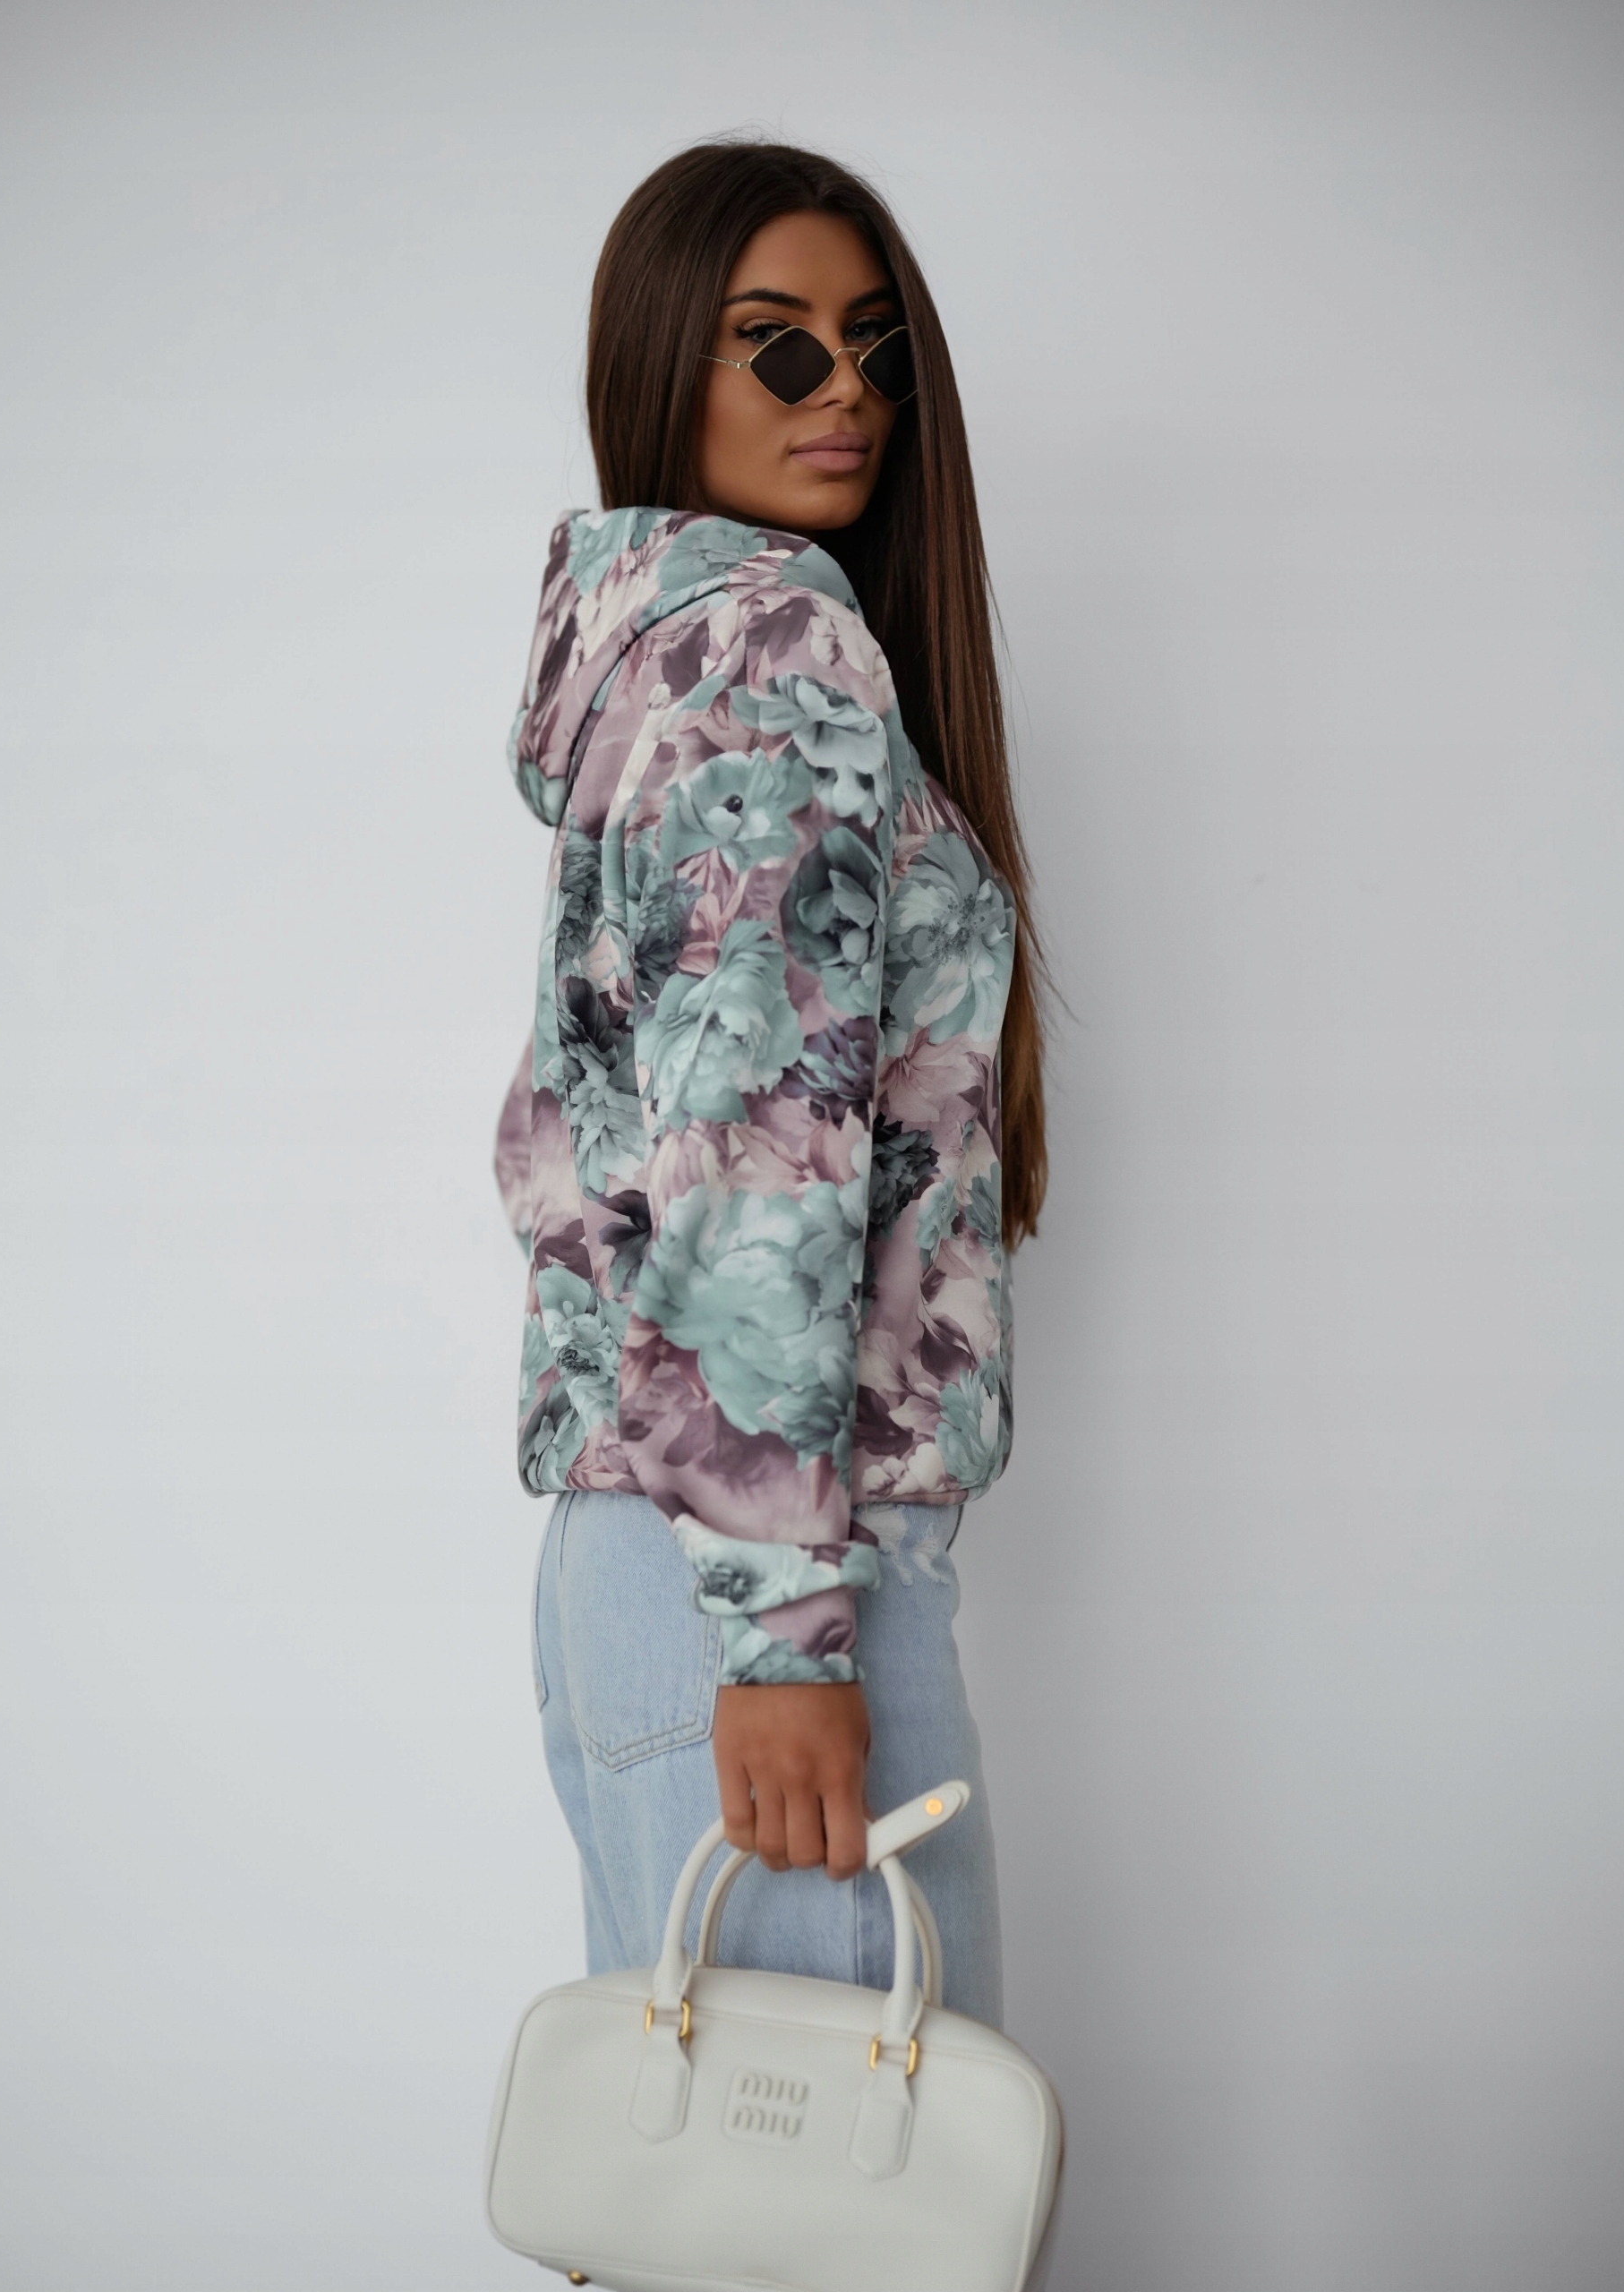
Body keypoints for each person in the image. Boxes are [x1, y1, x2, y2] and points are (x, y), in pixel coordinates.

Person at [495, 140, 1047, 2031]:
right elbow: (751, 1152)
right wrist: (788, 1636)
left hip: (651, 1561)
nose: (849, 393)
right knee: (857, 2164)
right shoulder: (775, 640)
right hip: (767, 1575)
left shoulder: (664, 648)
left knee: (720, 2163)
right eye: (780, 345)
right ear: (664, 362)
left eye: (874, 345)